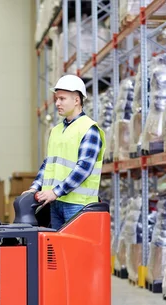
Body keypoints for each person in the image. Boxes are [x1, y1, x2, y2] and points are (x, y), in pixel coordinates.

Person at [24, 74, 105, 230]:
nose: (57, 103)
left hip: (78, 205)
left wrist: (55, 192)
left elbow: (83, 169)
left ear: (76, 100)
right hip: (56, 203)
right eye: (56, 99)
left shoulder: (89, 130)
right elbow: (49, 164)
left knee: (77, 252)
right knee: (57, 252)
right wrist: (35, 187)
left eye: (62, 99)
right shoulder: (56, 131)